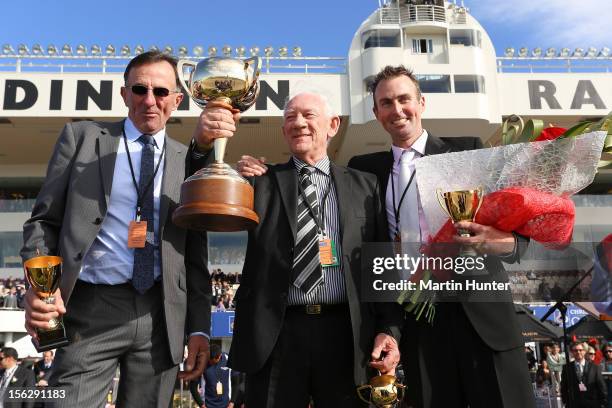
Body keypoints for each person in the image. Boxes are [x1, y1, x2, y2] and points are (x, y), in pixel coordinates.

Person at [238, 65, 534, 407]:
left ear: (421, 103)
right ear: (377, 113)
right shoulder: (367, 171)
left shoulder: (466, 151)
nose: (397, 110)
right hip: (417, 322)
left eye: (404, 99)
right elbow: (374, 256)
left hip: (481, 315)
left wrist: (506, 243)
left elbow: (517, 225)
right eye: (386, 103)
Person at [20, 51, 215, 408]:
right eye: (139, 89)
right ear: (124, 94)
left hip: (160, 315)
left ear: (177, 100)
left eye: (160, 92)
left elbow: (194, 254)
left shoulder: (186, 162)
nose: (149, 100)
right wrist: (42, 290)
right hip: (89, 309)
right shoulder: (80, 138)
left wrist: (199, 327)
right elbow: (43, 223)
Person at [216, 90, 402, 407]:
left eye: (308, 115)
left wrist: (390, 329)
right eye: (290, 117)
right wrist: (223, 160)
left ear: (333, 125)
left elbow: (379, 266)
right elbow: (210, 198)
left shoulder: (365, 185)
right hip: (277, 335)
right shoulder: (261, 181)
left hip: (347, 334)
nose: (298, 123)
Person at [561, 342, 607, 408]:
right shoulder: (567, 368)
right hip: (574, 404)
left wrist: (602, 402)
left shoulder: (595, 367)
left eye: (580, 350)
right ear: (572, 352)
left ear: (585, 351)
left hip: (592, 404)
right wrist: (565, 401)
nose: (578, 352)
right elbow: (564, 386)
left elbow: (601, 386)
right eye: (575, 350)